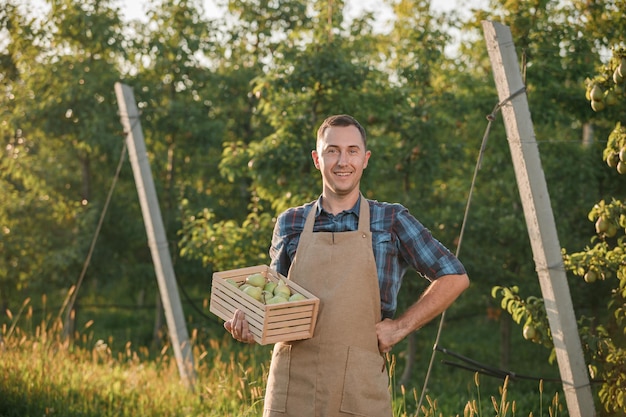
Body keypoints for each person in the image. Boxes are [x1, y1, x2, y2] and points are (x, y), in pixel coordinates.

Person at [224, 114, 470, 417]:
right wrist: (252, 327)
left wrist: (400, 328)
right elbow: (274, 301)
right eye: (332, 150)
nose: (343, 161)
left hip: (358, 387)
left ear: (365, 159)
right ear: (317, 158)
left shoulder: (391, 220)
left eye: (352, 150)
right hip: (293, 386)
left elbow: (454, 276)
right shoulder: (290, 223)